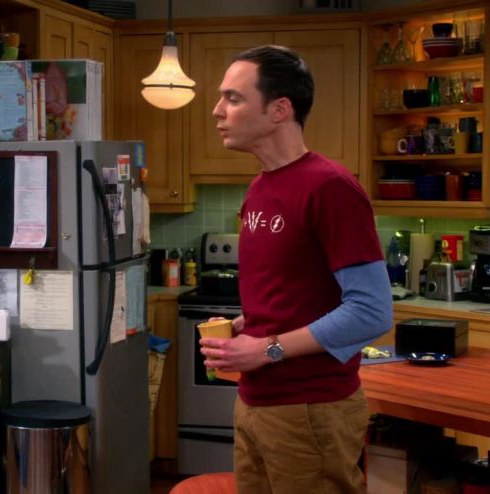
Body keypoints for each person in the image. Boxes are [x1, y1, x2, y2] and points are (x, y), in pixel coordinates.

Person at [199, 45, 393, 493]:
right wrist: (249, 324)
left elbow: (372, 311)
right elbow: (298, 292)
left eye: (233, 98)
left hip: (311, 410)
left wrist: (266, 349)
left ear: (279, 110)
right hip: (255, 403)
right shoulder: (260, 187)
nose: (217, 110)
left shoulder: (331, 187)